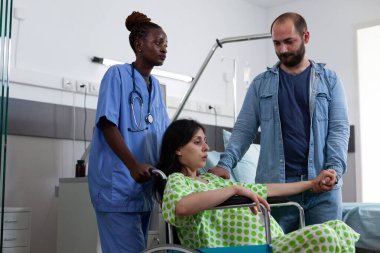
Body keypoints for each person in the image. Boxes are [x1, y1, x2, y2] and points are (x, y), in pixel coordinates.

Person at [209, 12, 350, 233]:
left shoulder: (330, 81)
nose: (282, 49)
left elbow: (339, 130)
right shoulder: (260, 85)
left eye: (289, 42)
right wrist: (225, 163)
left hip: (322, 191)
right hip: (277, 189)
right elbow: (244, 129)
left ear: (306, 37)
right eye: (276, 43)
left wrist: (333, 169)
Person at [157, 119, 358, 252]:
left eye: (205, 141)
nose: (206, 148)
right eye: (197, 142)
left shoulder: (213, 180)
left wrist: (312, 183)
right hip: (238, 248)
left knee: (340, 229)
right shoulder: (178, 180)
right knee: (325, 236)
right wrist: (234, 189)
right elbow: (181, 207)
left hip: (269, 242)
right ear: (178, 150)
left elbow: (270, 189)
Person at [87, 11, 170, 253]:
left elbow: (163, 134)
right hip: (118, 187)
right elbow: (107, 123)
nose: (164, 48)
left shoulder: (156, 88)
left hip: (142, 190)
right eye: (158, 42)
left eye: (166, 44)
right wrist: (133, 164)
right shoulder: (117, 75)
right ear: (139, 45)